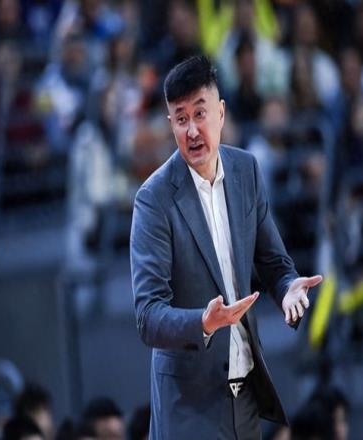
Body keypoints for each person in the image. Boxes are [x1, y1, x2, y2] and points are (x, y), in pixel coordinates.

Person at [130, 55, 323, 439]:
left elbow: (274, 264)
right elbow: (148, 316)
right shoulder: (153, 200)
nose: (191, 130)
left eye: (199, 114)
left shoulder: (246, 170)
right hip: (188, 406)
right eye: (181, 119)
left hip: (245, 395)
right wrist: (203, 322)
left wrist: (287, 289)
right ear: (170, 124)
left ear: (220, 113)